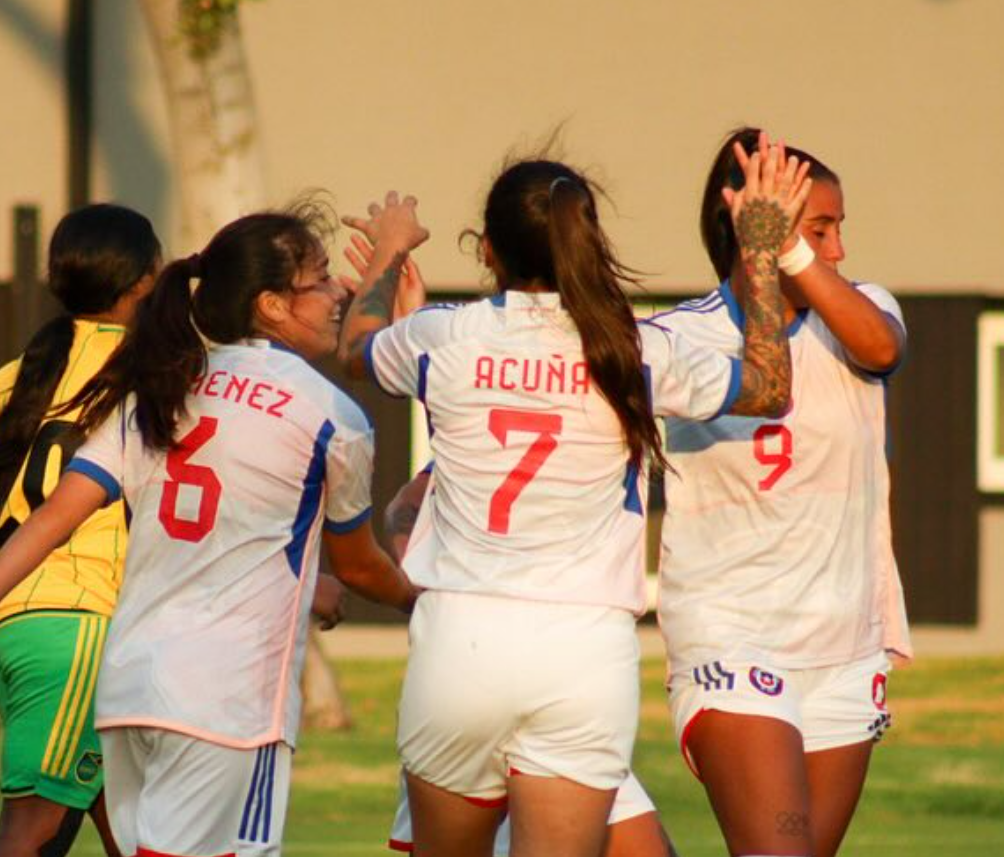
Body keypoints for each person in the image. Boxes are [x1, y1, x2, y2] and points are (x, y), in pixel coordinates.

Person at [337, 136, 806, 857]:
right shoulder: (631, 349)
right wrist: (763, 253)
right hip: (583, 650)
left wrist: (390, 252)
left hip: (460, 637)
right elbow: (769, 388)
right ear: (586, 242)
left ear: (485, 248)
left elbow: (357, 343)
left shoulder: (443, 336)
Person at [0, 205, 419, 857]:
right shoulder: (327, 414)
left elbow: (51, 517)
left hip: (128, 684)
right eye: (321, 279)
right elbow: (357, 565)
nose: (336, 294)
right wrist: (423, 599)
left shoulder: (158, 392)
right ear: (269, 303)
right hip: (225, 696)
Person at [654, 127, 913, 857]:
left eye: (836, 231)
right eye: (818, 229)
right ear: (747, 223)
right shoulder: (678, 337)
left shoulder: (859, 312)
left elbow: (882, 348)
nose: (834, 251)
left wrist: (787, 248)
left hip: (843, 644)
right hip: (730, 637)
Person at [0, 204, 162, 857]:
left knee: (138, 834)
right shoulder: (158, 374)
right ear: (145, 280)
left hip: (11, 621)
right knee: (29, 833)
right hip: (82, 625)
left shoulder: (25, 369)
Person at [381, 467, 679, 857]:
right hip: (509, 653)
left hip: (555, 663)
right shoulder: (603, 412)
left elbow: (403, 505)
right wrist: (424, 576)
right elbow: (409, 501)